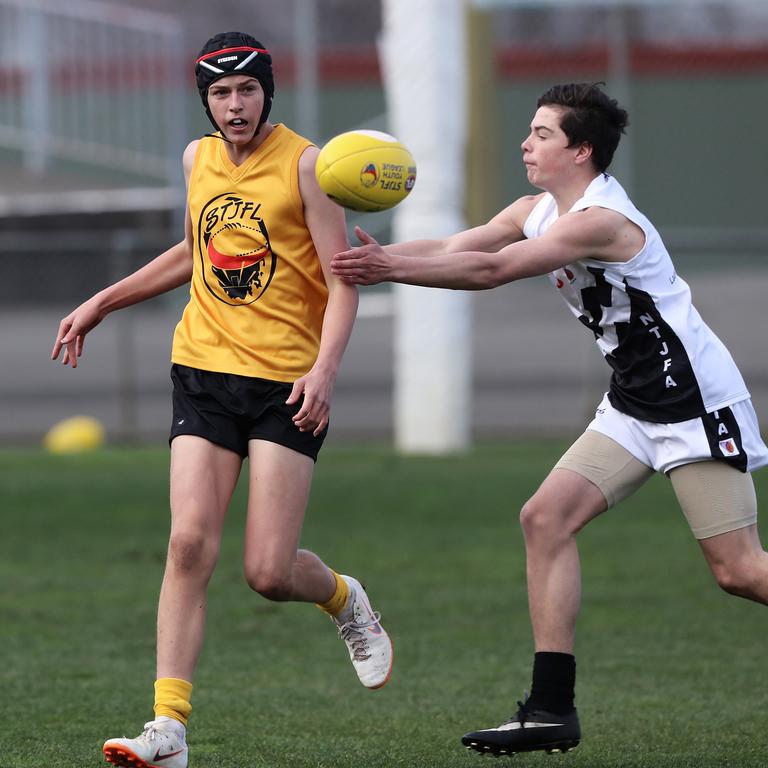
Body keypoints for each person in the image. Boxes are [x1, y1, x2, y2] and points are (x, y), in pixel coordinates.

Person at [330, 82, 768, 757]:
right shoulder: (536, 208)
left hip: (693, 405)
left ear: (582, 150)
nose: (525, 143)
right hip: (632, 405)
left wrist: (389, 270)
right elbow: (461, 244)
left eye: (541, 134)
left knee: (739, 572)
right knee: (544, 518)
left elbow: (493, 270)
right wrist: (368, 255)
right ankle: (550, 710)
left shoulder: (602, 220)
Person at [51, 31, 393, 768]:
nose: (234, 106)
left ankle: (343, 598)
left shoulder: (308, 165)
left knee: (268, 573)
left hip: (285, 384)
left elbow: (342, 279)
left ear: (268, 92)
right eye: (219, 94)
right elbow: (193, 251)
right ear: (204, 102)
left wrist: (326, 370)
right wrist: (103, 302)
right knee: (187, 542)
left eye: (245, 91)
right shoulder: (197, 159)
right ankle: (168, 729)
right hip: (202, 369)